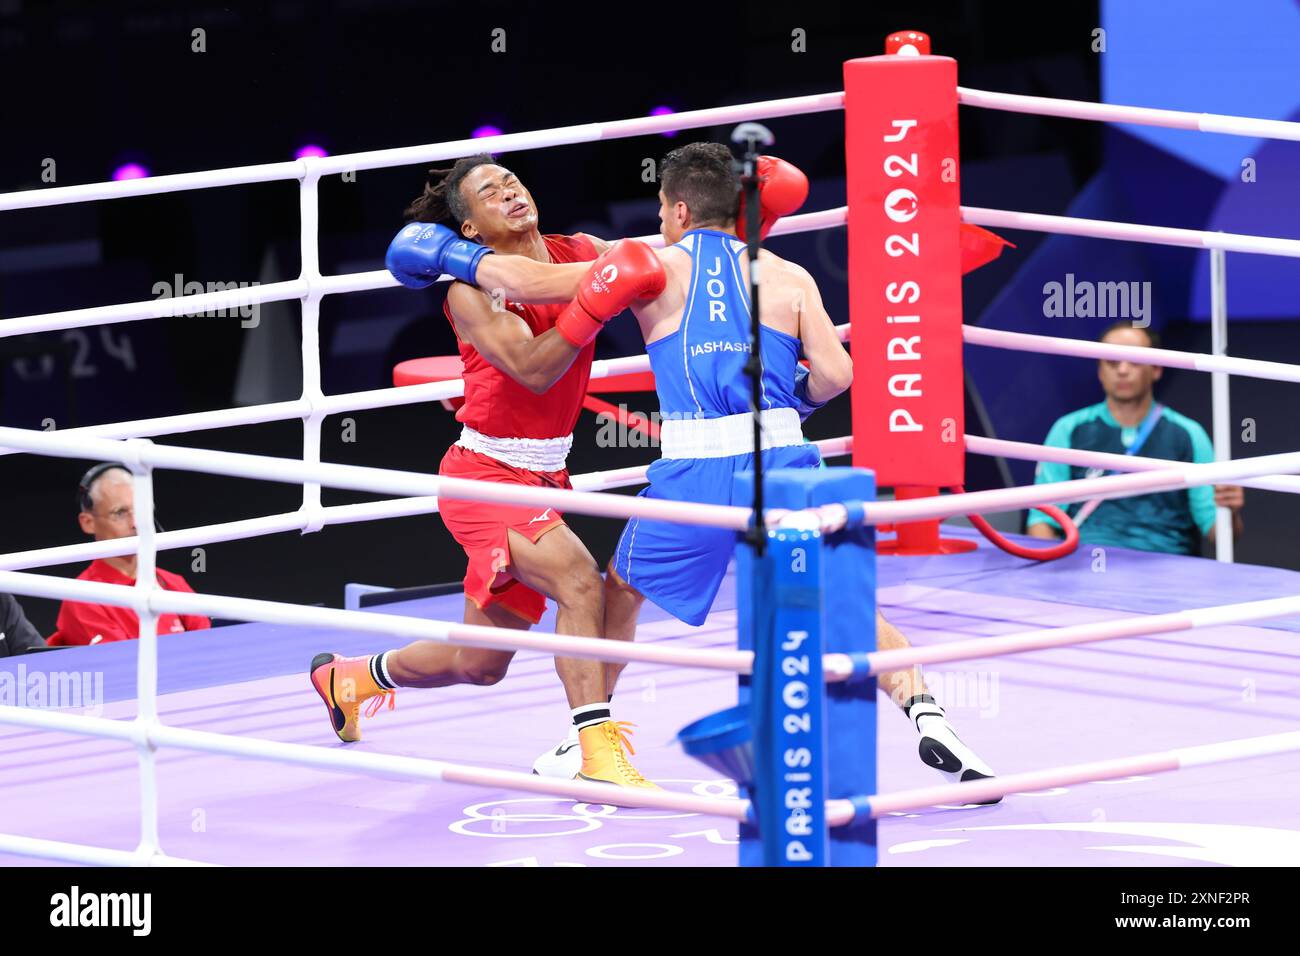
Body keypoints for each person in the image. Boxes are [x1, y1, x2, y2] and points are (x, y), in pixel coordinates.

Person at [425, 143, 1000, 799]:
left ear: (675, 210)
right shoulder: (790, 275)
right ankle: (929, 712)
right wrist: (792, 407)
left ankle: (590, 730)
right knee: (840, 601)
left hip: (697, 470)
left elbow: (542, 287)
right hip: (787, 459)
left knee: (616, 590)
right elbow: (838, 375)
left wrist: (454, 257)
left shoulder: (652, 269)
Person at [312, 156, 664, 789]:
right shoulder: (467, 291)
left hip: (547, 475)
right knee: (582, 583)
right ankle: (597, 756)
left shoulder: (576, 248)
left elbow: (653, 267)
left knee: (480, 664)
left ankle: (351, 677)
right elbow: (532, 367)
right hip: (485, 477)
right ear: (470, 231)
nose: (509, 192)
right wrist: (599, 297)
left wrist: (733, 229)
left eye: (512, 181)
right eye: (489, 193)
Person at [1027, 322, 1245, 554]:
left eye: (1135, 360)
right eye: (1112, 361)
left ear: (1157, 369)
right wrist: (1053, 575)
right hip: (1086, 566)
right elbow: (1041, 520)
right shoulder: (1068, 429)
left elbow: (1220, 535)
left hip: (1169, 571)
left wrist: (1229, 511)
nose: (1122, 369)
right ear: (1100, 370)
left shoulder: (1189, 434)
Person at [50, 462, 211, 646]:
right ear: (88, 523)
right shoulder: (82, 597)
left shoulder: (173, 583)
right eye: (120, 513)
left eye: (141, 509)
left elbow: (208, 651)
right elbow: (124, 667)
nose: (136, 522)